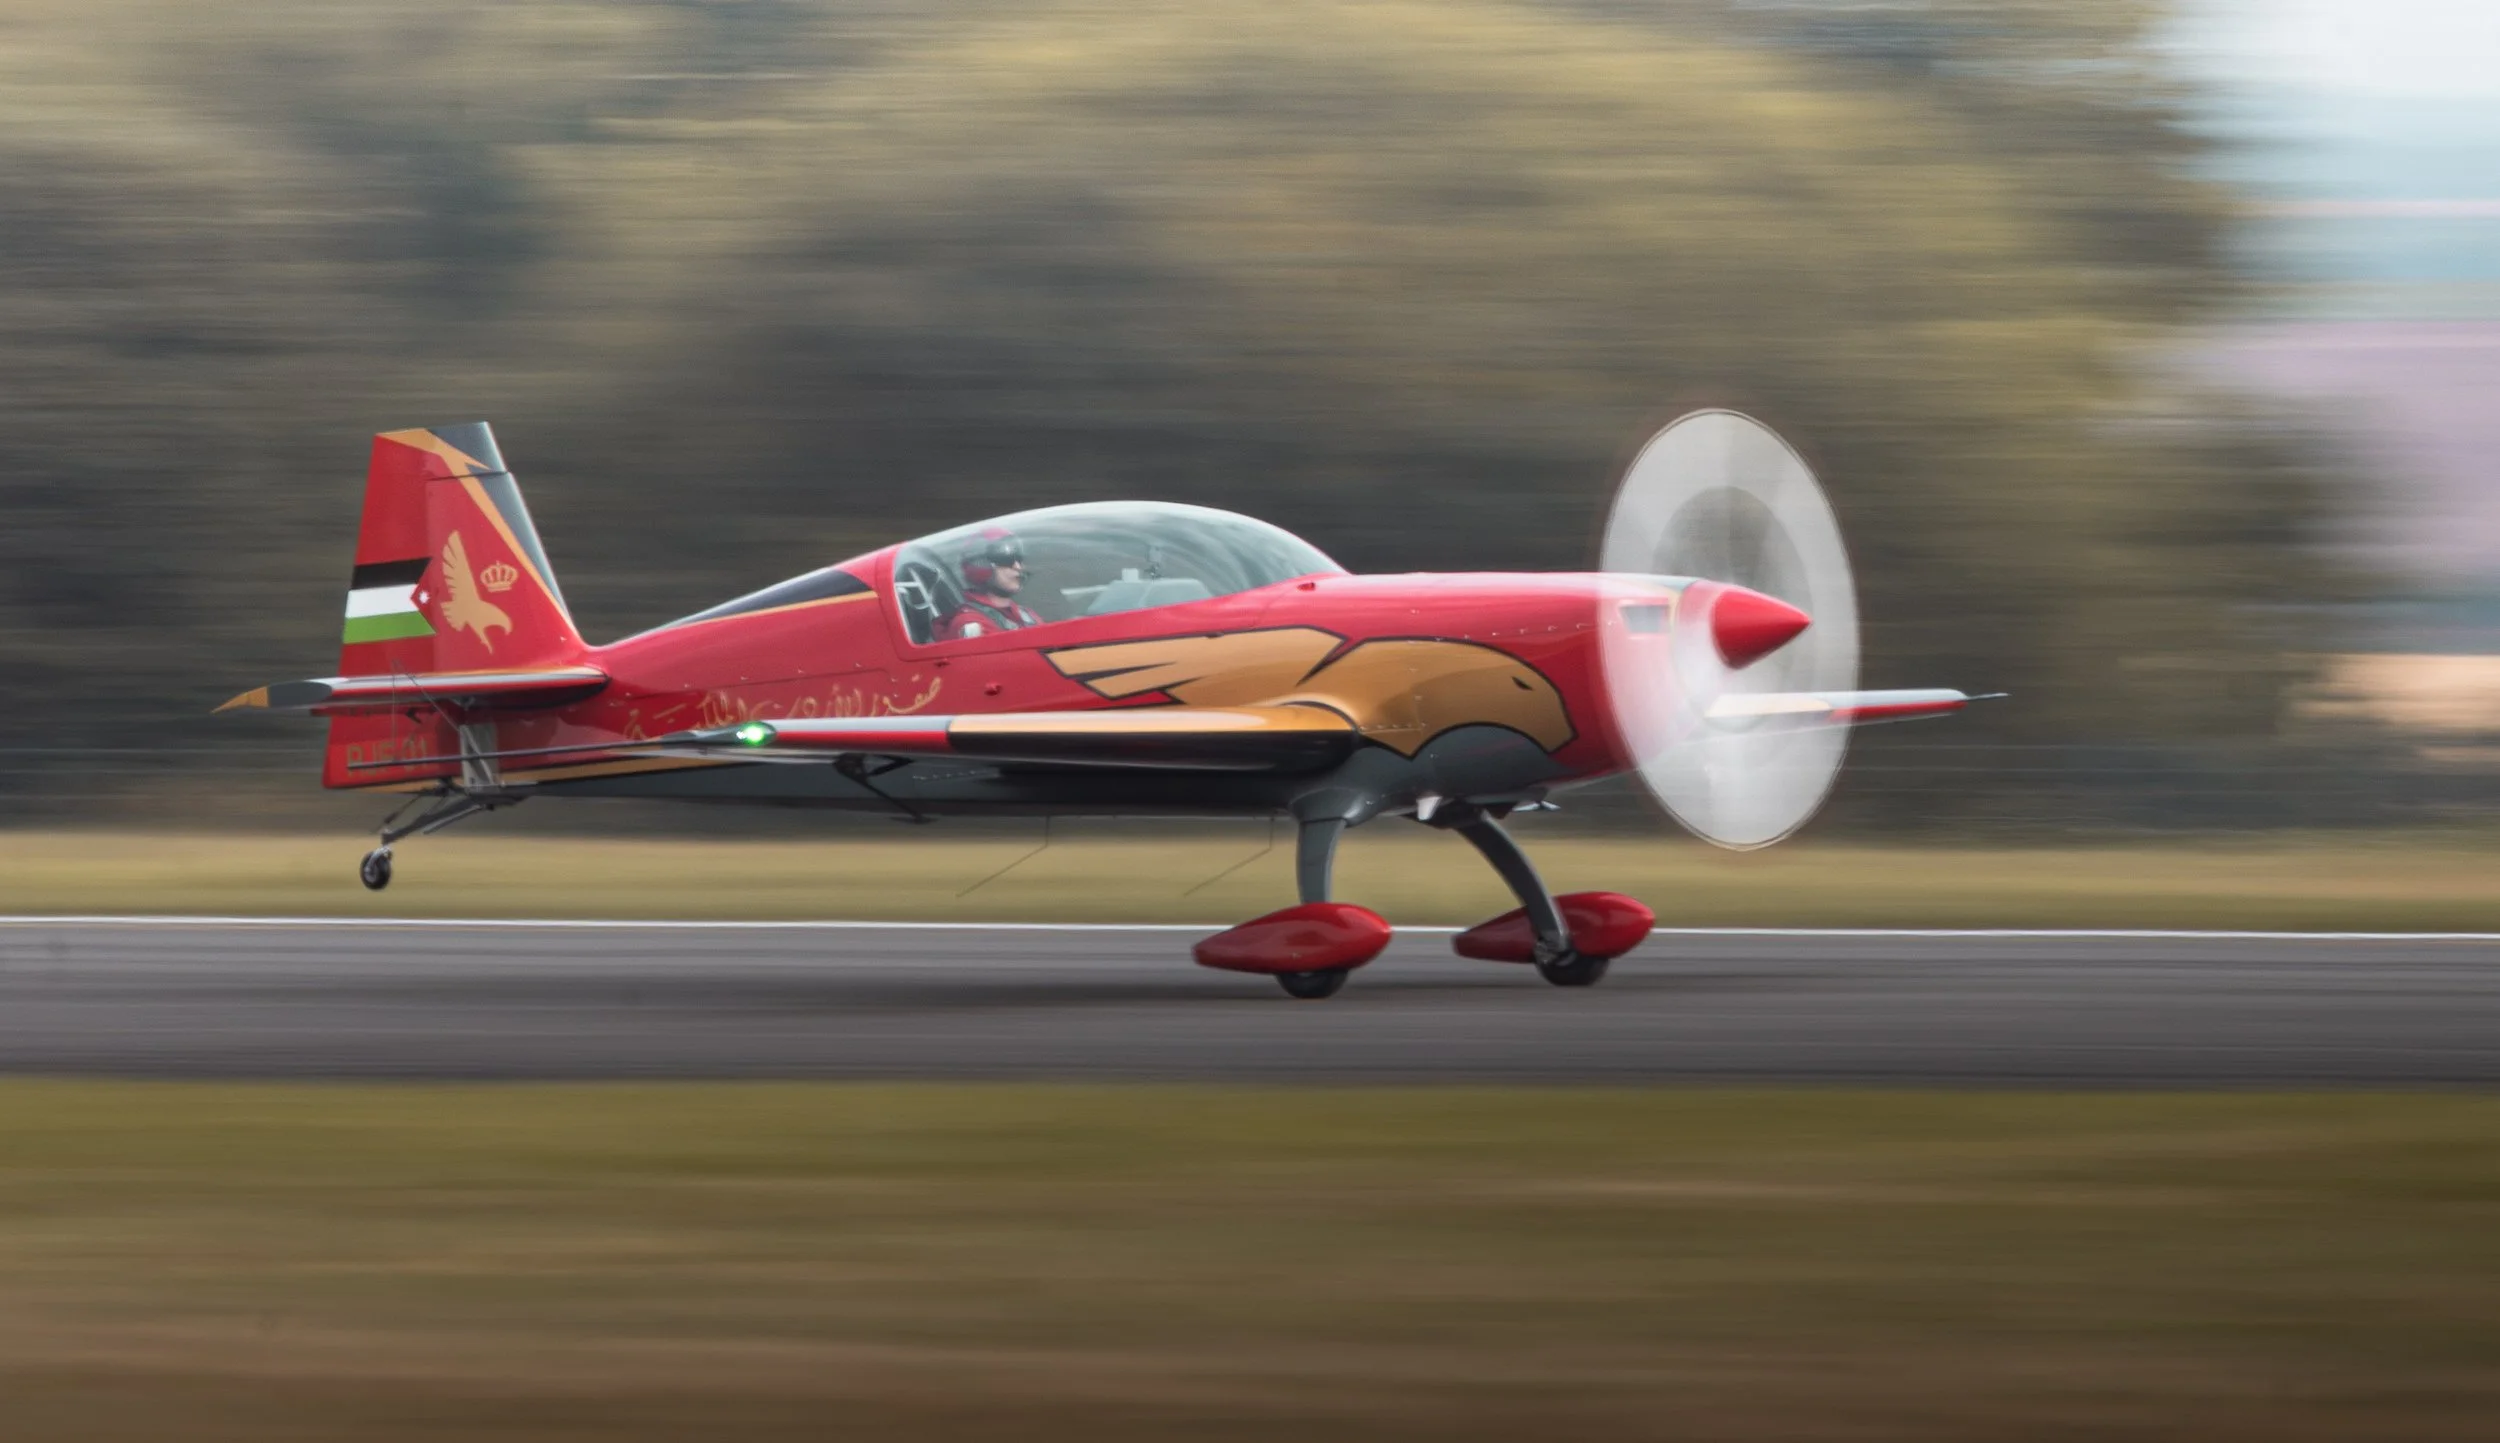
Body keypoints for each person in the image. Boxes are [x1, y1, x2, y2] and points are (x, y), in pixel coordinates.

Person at [939, 527, 1041, 640]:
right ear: (981, 564)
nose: (1017, 567)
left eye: (1019, 559)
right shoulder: (971, 623)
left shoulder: (1027, 615)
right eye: (1007, 559)